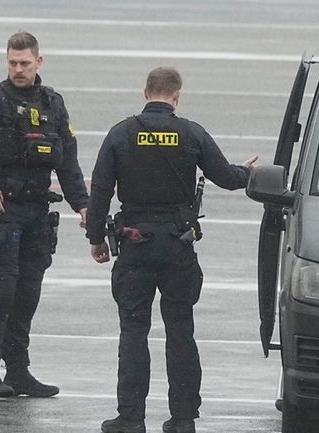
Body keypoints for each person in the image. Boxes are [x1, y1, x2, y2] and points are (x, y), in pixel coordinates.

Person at [85, 67, 258, 433]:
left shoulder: (121, 133)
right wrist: (247, 173)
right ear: (176, 96)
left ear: (145, 92)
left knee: (133, 331)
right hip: (178, 245)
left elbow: (100, 190)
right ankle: (183, 418)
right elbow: (226, 178)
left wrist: (97, 239)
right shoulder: (191, 132)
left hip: (134, 245)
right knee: (180, 330)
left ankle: (130, 417)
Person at [0, 31, 89, 398]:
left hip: (37, 212)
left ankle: (18, 371)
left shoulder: (53, 103)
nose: (18, 69)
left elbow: (68, 160)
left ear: (38, 62)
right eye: (12, 63)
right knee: (0, 293)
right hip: (2, 212)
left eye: (25, 63)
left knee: (28, 293)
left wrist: (83, 205)